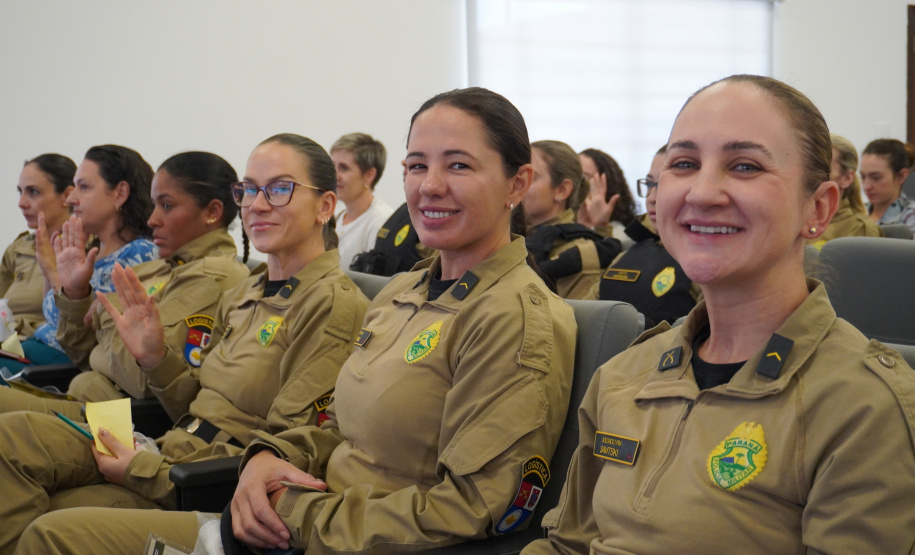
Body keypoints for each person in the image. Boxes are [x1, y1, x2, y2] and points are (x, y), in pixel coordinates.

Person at [15, 87, 578, 555]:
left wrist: (293, 507)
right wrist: (270, 457)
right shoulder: (404, 293)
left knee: (51, 530)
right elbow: (333, 427)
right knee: (47, 512)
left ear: (518, 184)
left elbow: (476, 507)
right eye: (417, 165)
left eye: (458, 165)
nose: (429, 185)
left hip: (313, 530)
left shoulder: (512, 318)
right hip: (268, 502)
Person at [523, 75, 915, 554]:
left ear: (818, 207)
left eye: (745, 166)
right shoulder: (624, 374)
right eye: (684, 163)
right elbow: (566, 545)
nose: (703, 192)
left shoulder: (863, 406)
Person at [0, 133, 369, 553]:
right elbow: (193, 405)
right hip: (170, 447)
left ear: (325, 206)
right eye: (248, 190)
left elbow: (285, 454)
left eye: (280, 189)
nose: (257, 204)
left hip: (203, 481)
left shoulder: (331, 306)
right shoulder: (249, 291)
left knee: (47, 530)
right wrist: (155, 358)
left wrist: (145, 468)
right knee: (11, 443)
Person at [0, 151, 251, 420]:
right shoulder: (163, 266)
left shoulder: (213, 276)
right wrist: (76, 294)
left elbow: (144, 384)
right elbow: (84, 354)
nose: (152, 219)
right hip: (90, 402)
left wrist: (105, 311)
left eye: (166, 206)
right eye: (154, 205)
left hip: (120, 424)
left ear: (212, 212)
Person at [3, 145, 160, 375]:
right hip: (32, 351)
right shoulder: (93, 249)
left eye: (84, 187)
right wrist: (53, 270)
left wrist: (52, 270)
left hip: (65, 368)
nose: (72, 199)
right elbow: (52, 311)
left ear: (120, 193)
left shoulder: (140, 254)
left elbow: (83, 333)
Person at [584, 145, 699, 327]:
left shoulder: (705, 262)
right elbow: (581, 316)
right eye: (649, 184)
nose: (651, 198)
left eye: (663, 185)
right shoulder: (629, 253)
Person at [523, 139, 619, 299]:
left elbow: (575, 321)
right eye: (518, 175)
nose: (518, 185)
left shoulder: (577, 252)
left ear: (562, 190)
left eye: (532, 178)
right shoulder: (509, 237)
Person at [0, 154, 75, 337]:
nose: (21, 203)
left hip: (40, 347)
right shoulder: (18, 248)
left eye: (33, 192)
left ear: (67, 195)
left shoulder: (85, 250)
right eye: (20, 192)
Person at [807, 134, 882, 248]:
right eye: (810, 167)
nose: (812, 175)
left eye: (824, 168)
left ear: (847, 179)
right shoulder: (797, 220)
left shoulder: (859, 229)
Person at [330, 132, 393, 268]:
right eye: (332, 165)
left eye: (344, 168)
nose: (334, 175)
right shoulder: (336, 216)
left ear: (369, 175)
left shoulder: (381, 223)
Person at [577, 148, 637, 248]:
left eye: (584, 177)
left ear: (607, 184)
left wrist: (601, 227)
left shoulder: (620, 235)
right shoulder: (561, 221)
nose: (574, 182)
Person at [861, 138, 915, 233]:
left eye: (876, 178)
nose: (866, 186)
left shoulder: (910, 217)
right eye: (863, 177)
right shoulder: (858, 213)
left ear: (901, 176)